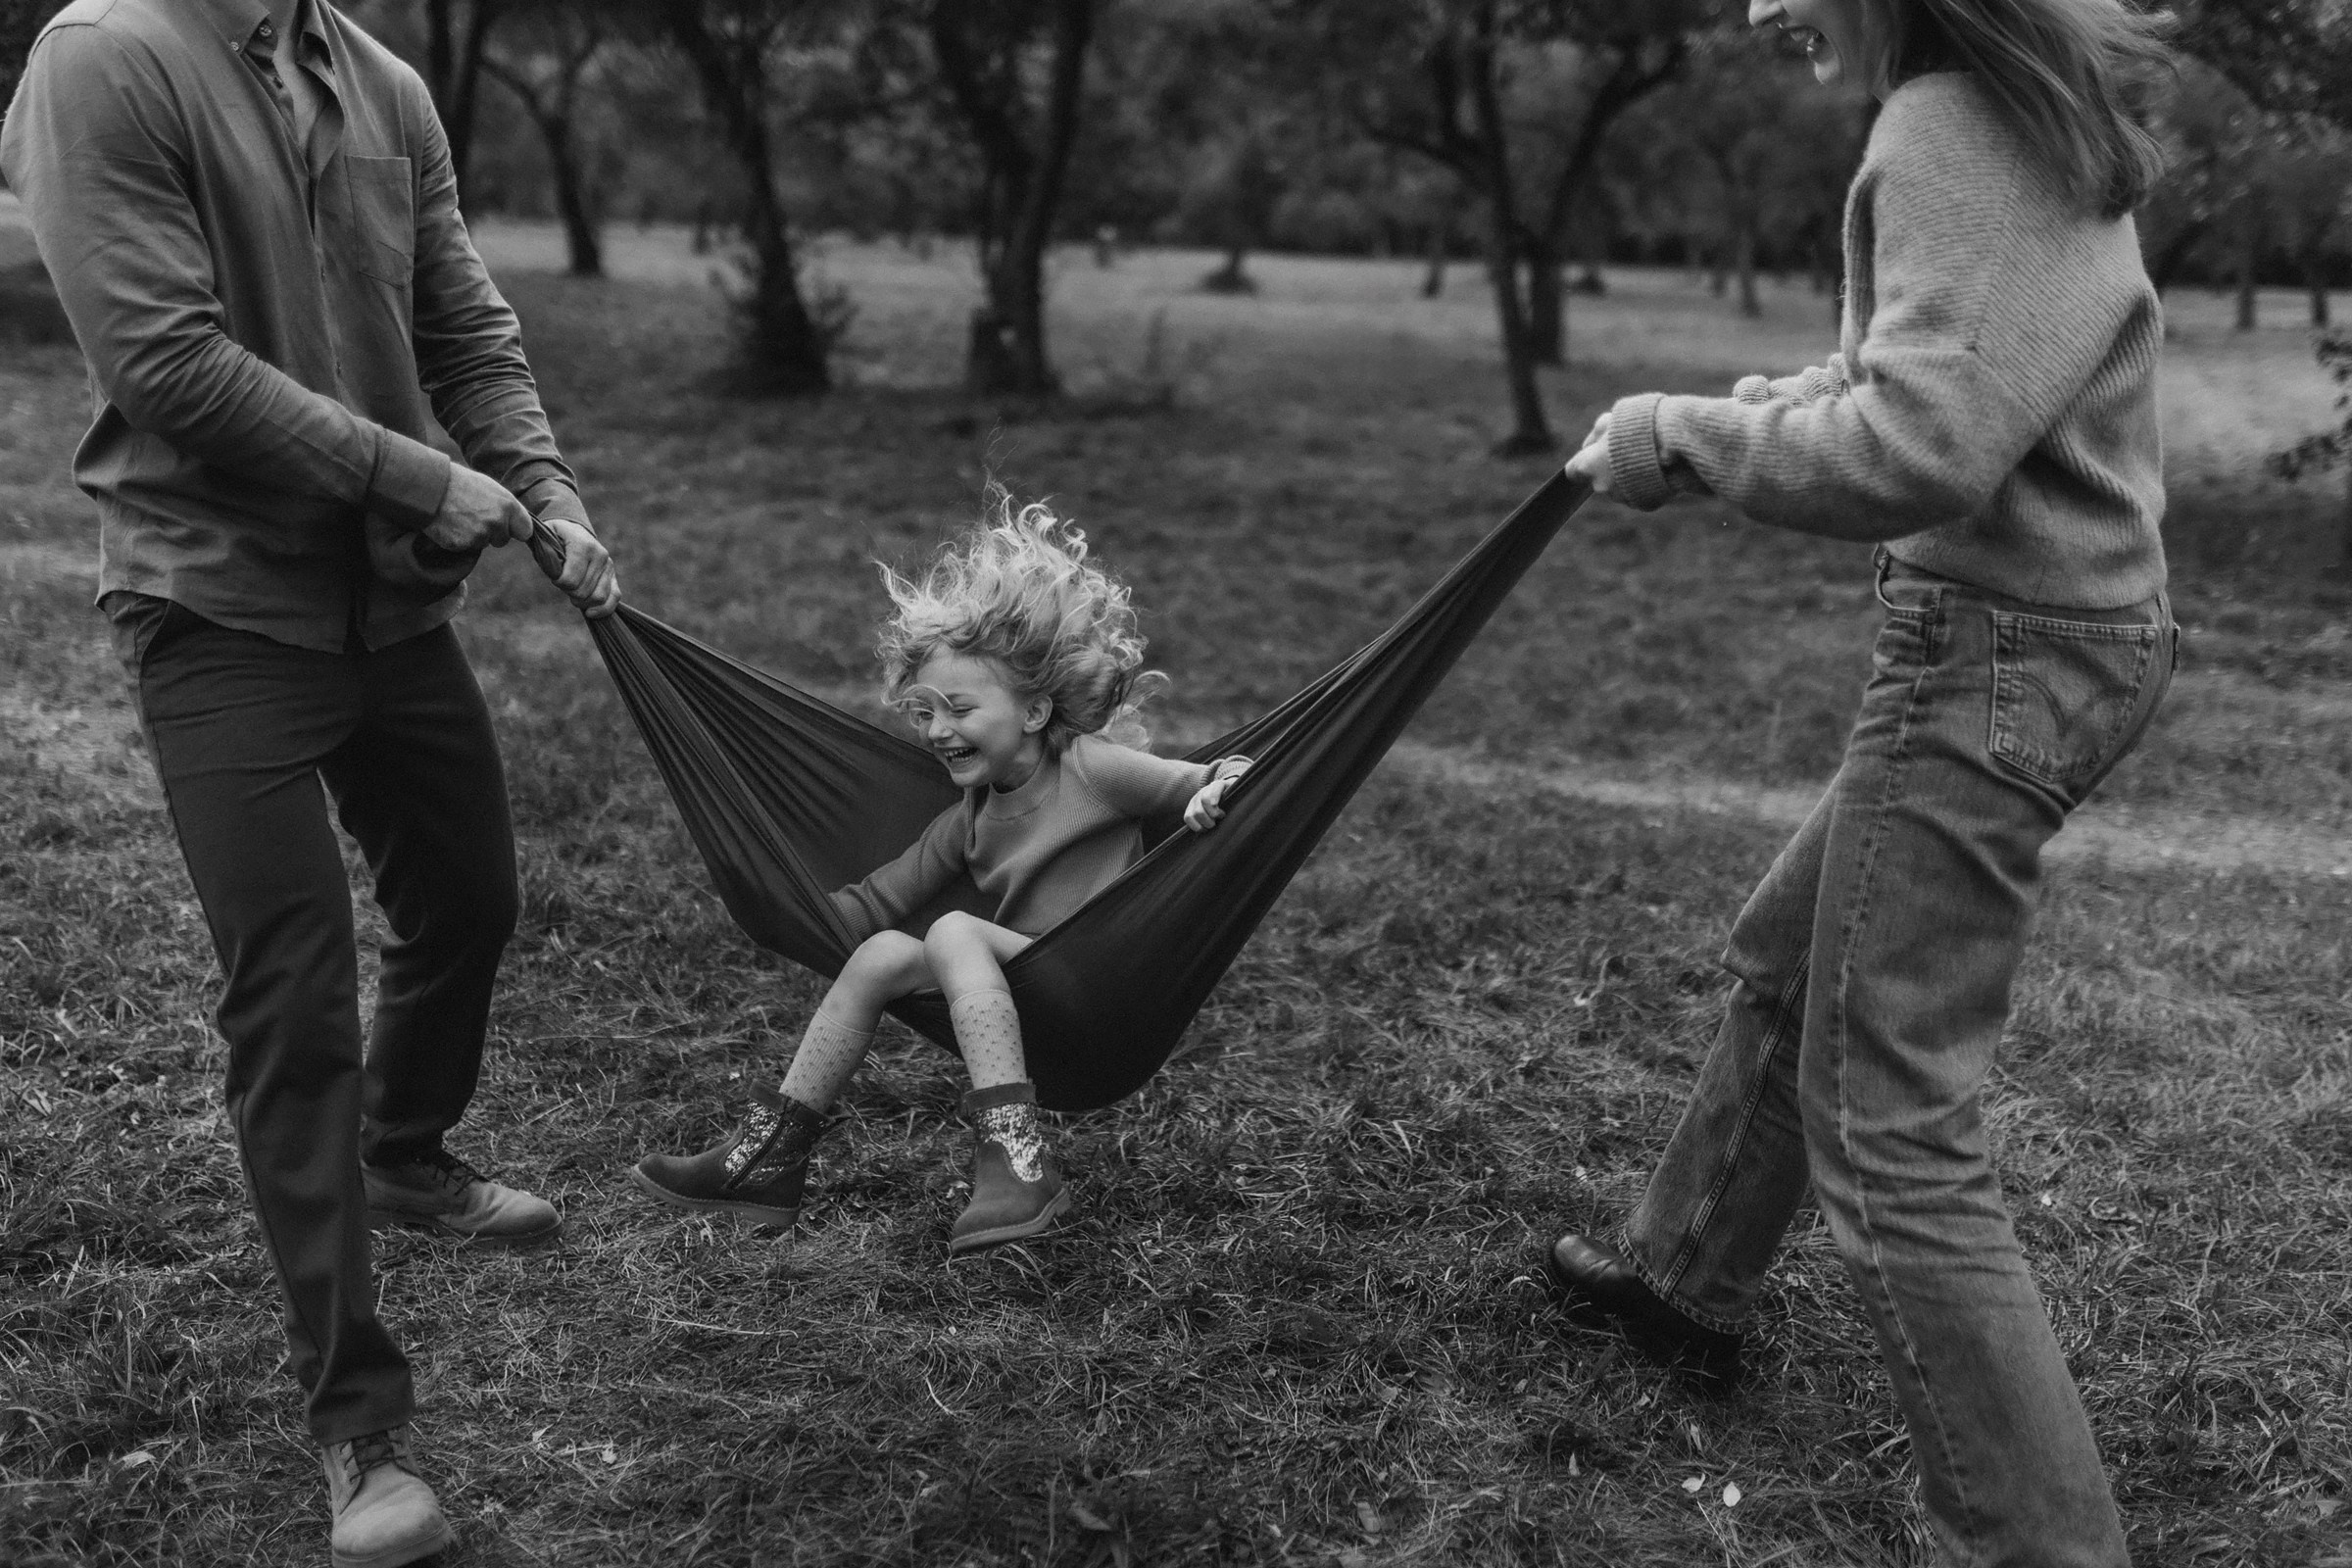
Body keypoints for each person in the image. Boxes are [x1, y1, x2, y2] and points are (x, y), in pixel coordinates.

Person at [1548, 1, 2176, 1563]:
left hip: (1996, 651)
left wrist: (1683, 442)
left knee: (1889, 1121)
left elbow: (1923, 448)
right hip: (2059, 635)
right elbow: (1932, 378)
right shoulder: (2011, 110)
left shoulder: (1947, 127)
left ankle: (2039, 1542)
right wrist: (1765, 408)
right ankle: (1685, 1272)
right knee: (1790, 956)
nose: (1761, 8)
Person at [1, 0, 621, 1564]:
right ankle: (361, 1430)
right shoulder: (104, 56)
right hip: (216, 608)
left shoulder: (384, 79)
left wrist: (538, 486)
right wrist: (428, 478)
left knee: (471, 896)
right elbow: (165, 362)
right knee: (291, 1003)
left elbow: (464, 325)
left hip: (389, 610)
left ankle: (408, 1157)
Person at [633, 494, 1249, 1254]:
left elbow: (1223, 775)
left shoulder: (1094, 770)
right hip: (1017, 995)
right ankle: (768, 1157)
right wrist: (784, 900)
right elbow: (870, 905)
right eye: (923, 712)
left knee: (953, 928)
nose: (935, 731)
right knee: (884, 952)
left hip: (1098, 984)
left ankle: (1015, 1159)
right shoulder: (967, 818)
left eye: (957, 708)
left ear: (1032, 712)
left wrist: (1214, 792)